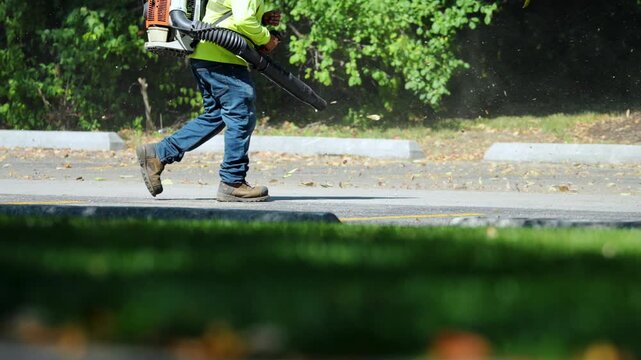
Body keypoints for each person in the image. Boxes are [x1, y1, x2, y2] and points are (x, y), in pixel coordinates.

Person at [136, 0, 281, 202]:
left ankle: (158, 154)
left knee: (216, 115)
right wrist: (266, 38)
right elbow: (243, 20)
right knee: (241, 116)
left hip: (207, 55)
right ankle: (233, 182)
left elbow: (230, 11)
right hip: (222, 58)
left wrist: (262, 17)